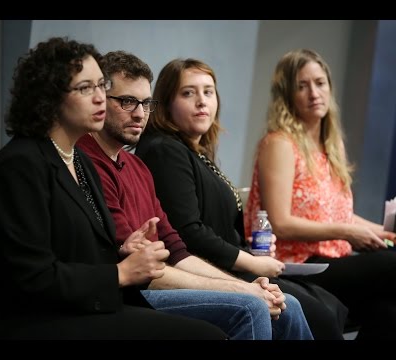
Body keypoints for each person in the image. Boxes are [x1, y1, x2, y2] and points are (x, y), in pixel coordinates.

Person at [0, 37, 228, 340]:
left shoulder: (78, 161)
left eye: (100, 86)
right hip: (29, 321)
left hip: (77, 307)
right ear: (48, 96)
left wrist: (122, 250)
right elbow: (31, 276)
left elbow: (74, 249)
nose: (100, 98)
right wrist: (121, 271)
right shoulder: (19, 166)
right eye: (85, 88)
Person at [77, 50, 313, 340]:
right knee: (253, 306)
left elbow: (177, 251)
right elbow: (139, 267)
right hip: (130, 294)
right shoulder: (86, 164)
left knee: (287, 305)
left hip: (155, 280)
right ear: (99, 101)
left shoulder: (137, 166)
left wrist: (250, 286)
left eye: (146, 103)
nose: (139, 113)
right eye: (127, 102)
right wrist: (244, 288)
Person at [135, 57, 347, 340]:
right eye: (188, 93)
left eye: (208, 92)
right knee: (309, 312)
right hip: (202, 271)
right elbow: (190, 233)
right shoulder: (165, 150)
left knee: (327, 306)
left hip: (228, 266)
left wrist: (254, 248)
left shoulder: (195, 152)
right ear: (166, 103)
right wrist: (251, 262)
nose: (202, 101)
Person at [244, 48, 396, 340]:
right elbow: (280, 222)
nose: (314, 93)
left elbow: (338, 214)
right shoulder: (280, 143)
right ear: (287, 95)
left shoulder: (330, 145)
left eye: (320, 83)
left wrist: (383, 233)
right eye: (302, 86)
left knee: (388, 311)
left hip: (333, 259)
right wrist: (348, 234)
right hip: (300, 265)